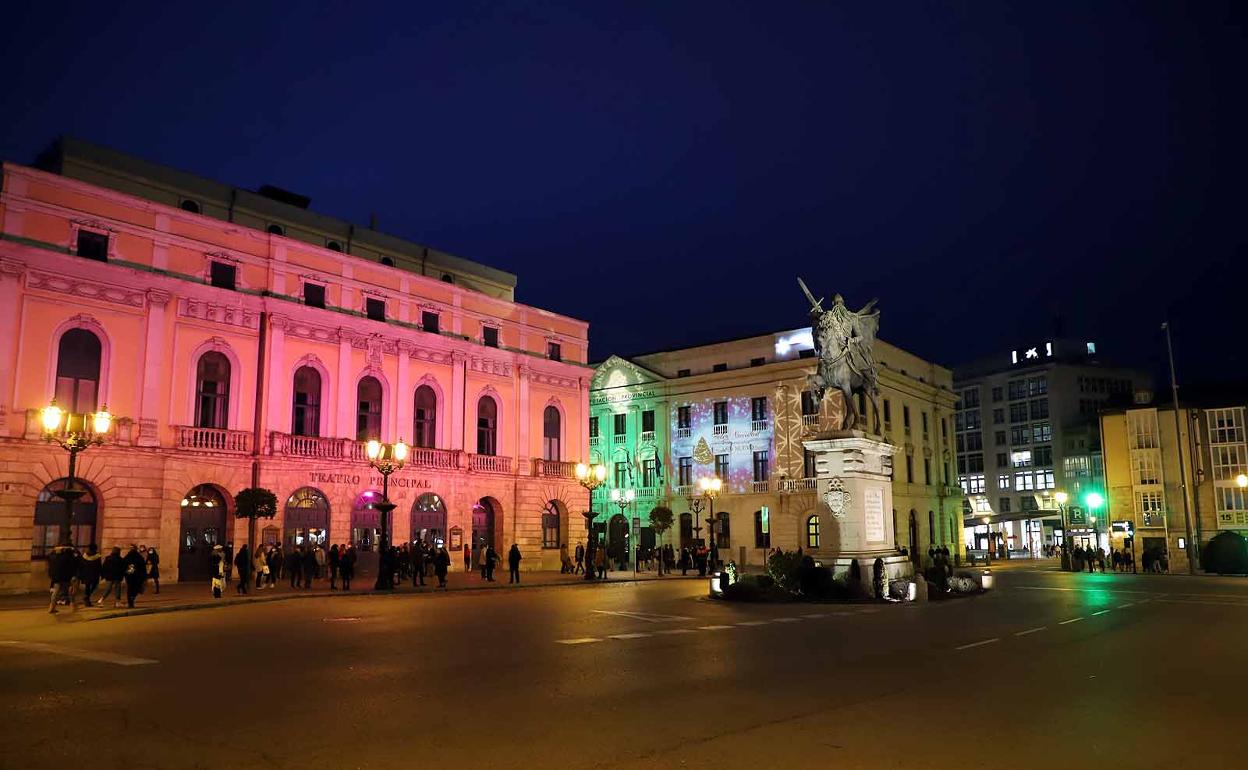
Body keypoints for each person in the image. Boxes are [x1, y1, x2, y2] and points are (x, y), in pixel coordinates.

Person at [47, 544, 78, 614]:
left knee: (56, 592)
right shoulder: (67, 556)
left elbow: (50, 558)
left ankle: (51, 608)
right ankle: (73, 607)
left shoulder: (53, 556)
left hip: (56, 577)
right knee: (71, 592)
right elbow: (73, 564)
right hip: (66, 577)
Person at [123, 544, 147, 608]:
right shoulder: (138, 557)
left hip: (129, 575)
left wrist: (125, 573)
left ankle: (130, 602)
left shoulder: (128, 556)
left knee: (130, 588)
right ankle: (131, 600)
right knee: (135, 588)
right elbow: (143, 567)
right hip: (136, 576)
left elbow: (123, 565)